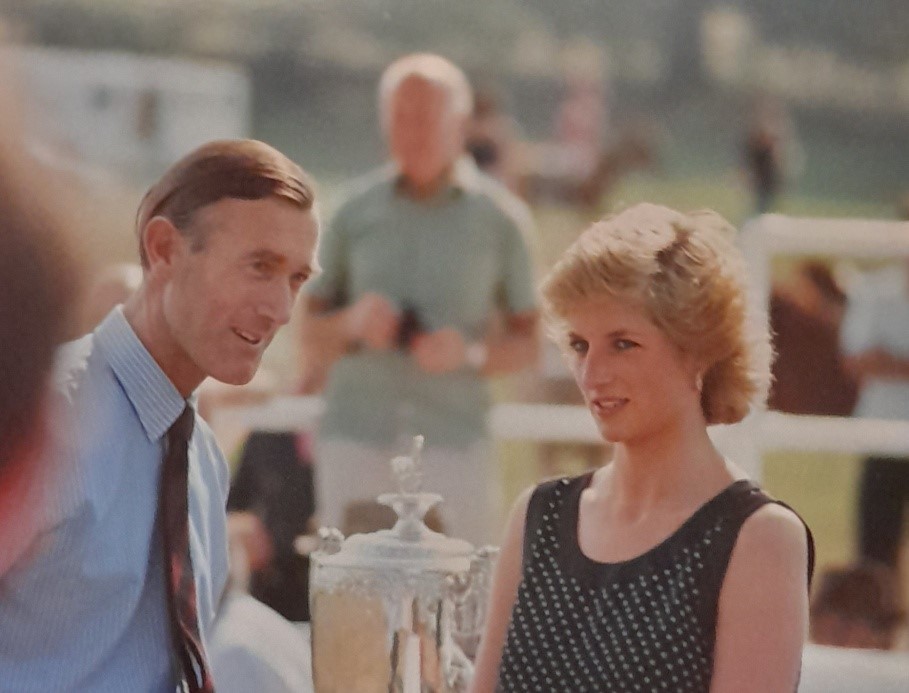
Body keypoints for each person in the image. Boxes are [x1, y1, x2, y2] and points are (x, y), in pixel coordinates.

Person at [0, 139, 320, 691]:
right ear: (164, 248)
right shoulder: (46, 419)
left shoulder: (205, 461)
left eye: (295, 279)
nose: (280, 309)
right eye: (259, 266)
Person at [472, 203, 815, 692]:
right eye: (579, 345)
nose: (591, 375)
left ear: (697, 349)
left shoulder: (758, 538)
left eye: (623, 344)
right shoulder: (538, 516)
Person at [300, 53, 540, 546]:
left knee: (457, 602)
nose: (413, 130)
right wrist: (352, 324)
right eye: (400, 117)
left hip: (454, 441)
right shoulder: (351, 212)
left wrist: (468, 353)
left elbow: (530, 344)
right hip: (356, 435)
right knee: (351, 600)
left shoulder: (502, 220)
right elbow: (307, 331)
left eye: (427, 116)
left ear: (461, 123)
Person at [840, 254, 909, 571]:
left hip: (885, 428)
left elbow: (870, 359)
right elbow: (856, 360)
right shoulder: (877, 291)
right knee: (876, 550)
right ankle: (879, 618)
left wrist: (890, 362)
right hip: (883, 435)